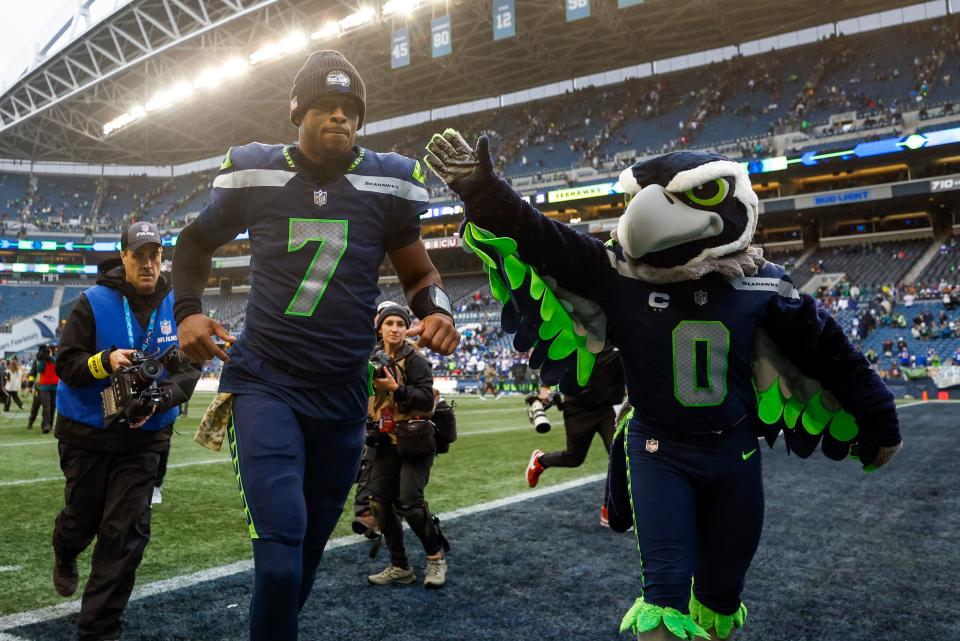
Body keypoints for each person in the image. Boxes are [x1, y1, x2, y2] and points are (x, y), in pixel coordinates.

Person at [425, 132, 901, 641]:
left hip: (734, 457)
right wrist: (483, 191)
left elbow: (834, 355)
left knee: (719, 600)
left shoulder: (764, 286)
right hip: (659, 452)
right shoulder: (619, 275)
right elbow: (544, 238)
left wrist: (880, 421)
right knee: (663, 601)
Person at [171, 50, 459, 641]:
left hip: (343, 394)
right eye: (326, 106)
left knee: (303, 557)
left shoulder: (386, 182)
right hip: (268, 382)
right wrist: (188, 312)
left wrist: (438, 314)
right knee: (279, 557)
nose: (340, 118)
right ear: (296, 110)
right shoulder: (258, 173)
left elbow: (420, 276)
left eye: (350, 110)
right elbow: (193, 244)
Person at [51, 222, 201, 641]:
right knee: (81, 520)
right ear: (123, 257)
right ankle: (65, 550)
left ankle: (98, 631)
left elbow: (189, 368)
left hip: (145, 438)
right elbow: (67, 364)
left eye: (155, 255)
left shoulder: (178, 304)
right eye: (140, 255)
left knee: (125, 534)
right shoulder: (92, 302)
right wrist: (106, 361)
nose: (149, 263)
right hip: (87, 433)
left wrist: (159, 399)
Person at [365, 303, 447, 588]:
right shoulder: (372, 358)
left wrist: (396, 389)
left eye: (400, 323)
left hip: (415, 439)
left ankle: (435, 559)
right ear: (380, 329)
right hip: (385, 440)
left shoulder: (415, 359)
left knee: (411, 503)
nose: (395, 328)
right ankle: (400, 565)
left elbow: (426, 399)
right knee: (379, 502)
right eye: (389, 323)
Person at [525, 345, 625, 526]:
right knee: (574, 458)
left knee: (619, 455)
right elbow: (555, 357)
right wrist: (545, 388)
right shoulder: (578, 335)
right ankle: (541, 461)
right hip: (578, 408)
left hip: (608, 409)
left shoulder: (620, 334)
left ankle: (609, 511)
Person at [29, 344, 59, 433]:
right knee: (42, 406)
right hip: (41, 387)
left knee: (52, 406)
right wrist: (30, 386)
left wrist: (50, 359)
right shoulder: (39, 361)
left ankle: (49, 425)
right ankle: (36, 423)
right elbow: (38, 370)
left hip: (53, 386)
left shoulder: (56, 359)